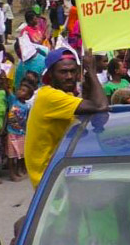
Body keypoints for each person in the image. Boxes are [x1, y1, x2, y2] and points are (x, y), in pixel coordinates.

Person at [26, 48, 109, 187]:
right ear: (51, 74)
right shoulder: (50, 97)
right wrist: (92, 71)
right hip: (51, 180)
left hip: (61, 172)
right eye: (63, 72)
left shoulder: (65, 96)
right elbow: (101, 106)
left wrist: (88, 84)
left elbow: (91, 115)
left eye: (73, 71)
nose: (69, 76)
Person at [6, 81, 33, 181]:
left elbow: (27, 119)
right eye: (20, 89)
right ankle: (12, 174)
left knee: (20, 154)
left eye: (23, 91)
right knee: (11, 155)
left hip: (22, 133)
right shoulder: (13, 100)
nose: (19, 91)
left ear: (28, 96)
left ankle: (18, 170)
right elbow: (7, 90)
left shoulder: (27, 106)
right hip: (12, 133)